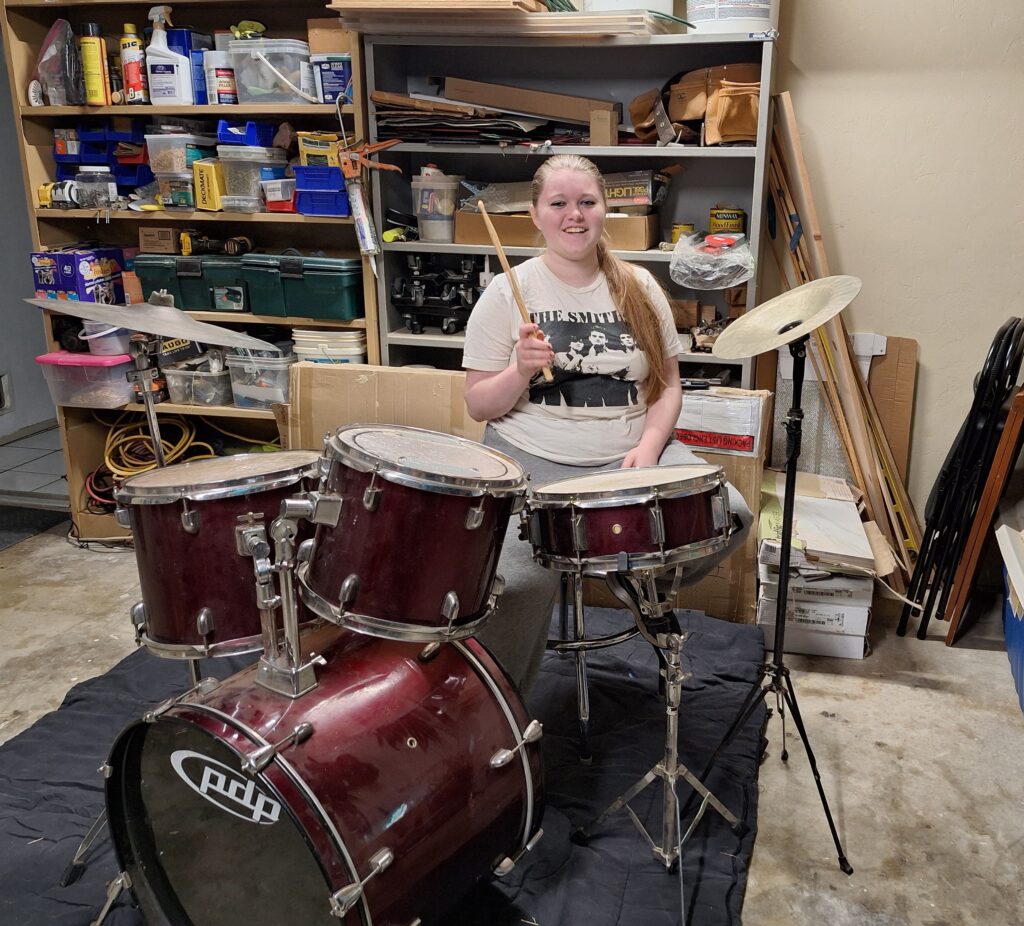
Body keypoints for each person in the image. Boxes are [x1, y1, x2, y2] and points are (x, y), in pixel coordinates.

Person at [462, 154, 752, 695]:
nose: (574, 215)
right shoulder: (507, 291)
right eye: (559, 203)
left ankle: (634, 575)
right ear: (536, 215)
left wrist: (650, 445)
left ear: (604, 211)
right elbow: (478, 405)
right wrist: (518, 370)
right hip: (533, 459)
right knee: (515, 587)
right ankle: (504, 712)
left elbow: (667, 386)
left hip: (627, 453)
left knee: (729, 513)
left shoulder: (639, 286)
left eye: (587, 202)